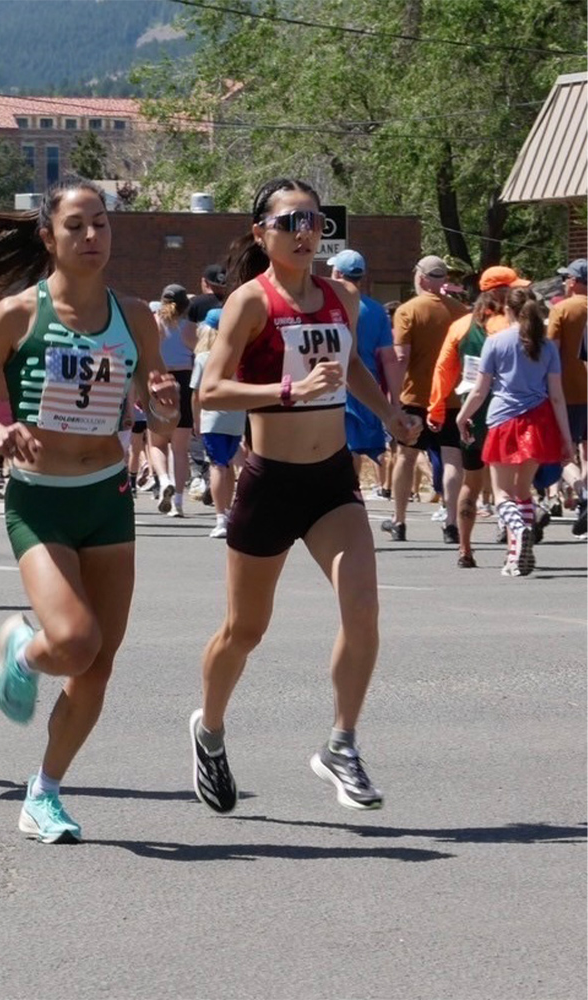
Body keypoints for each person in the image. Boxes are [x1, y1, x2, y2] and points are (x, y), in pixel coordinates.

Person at [0, 177, 179, 843]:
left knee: (98, 665)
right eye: (76, 226)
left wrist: (164, 407)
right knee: (72, 641)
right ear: (49, 238)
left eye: (100, 224)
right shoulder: (19, 313)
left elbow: (155, 413)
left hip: (108, 497)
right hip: (39, 500)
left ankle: (44, 791)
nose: (92, 237)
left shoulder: (134, 316)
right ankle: (23, 649)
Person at [188, 177, 420, 815]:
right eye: (290, 221)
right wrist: (285, 393)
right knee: (244, 631)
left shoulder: (342, 298)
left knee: (363, 608)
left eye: (314, 220)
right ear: (261, 233)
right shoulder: (249, 302)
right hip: (271, 481)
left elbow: (351, 371)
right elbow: (209, 392)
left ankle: (341, 743)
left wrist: (391, 413)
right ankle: (209, 730)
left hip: (331, 481)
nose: (305, 231)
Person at [456, 288, 572, 577]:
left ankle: (519, 531)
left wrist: (462, 416)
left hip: (504, 420)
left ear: (507, 310)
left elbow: (480, 390)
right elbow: (557, 396)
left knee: (502, 494)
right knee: (523, 491)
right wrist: (567, 439)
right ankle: (515, 554)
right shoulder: (546, 347)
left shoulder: (495, 342)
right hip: (539, 421)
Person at [428, 266, 524, 567]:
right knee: (509, 485)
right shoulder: (510, 326)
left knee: (471, 480)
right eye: (512, 288)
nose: (518, 293)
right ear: (499, 292)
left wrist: (437, 407)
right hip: (505, 411)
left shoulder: (461, 326)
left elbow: (443, 369)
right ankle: (514, 548)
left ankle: (465, 550)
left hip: (470, 410)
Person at [381, 255, 469, 542]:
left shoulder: (407, 311)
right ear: (443, 279)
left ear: (420, 278)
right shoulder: (461, 312)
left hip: (415, 396)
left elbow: (401, 356)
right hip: (450, 397)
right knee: (452, 456)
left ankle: (399, 520)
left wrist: (394, 399)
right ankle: (452, 522)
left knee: (406, 455)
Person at [328, 249, 401, 485]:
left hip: (334, 383)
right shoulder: (376, 310)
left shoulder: (327, 306)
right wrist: (395, 401)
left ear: (337, 273)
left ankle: (348, 489)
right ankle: (364, 488)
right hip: (368, 383)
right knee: (366, 444)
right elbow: (389, 358)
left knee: (344, 444)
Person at [190, 307, 245, 538]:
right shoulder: (239, 357)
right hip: (237, 417)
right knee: (228, 465)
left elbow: (196, 393)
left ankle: (221, 516)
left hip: (213, 418)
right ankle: (229, 512)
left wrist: (195, 418)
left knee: (217, 465)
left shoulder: (204, 358)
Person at [149, 284, 196, 517]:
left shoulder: (153, 324)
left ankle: (164, 479)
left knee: (157, 443)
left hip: (161, 380)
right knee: (180, 448)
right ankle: (177, 501)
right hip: (185, 381)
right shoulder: (189, 328)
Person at [547, 258, 587, 535]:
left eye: (566, 278)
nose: (564, 282)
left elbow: (551, 351)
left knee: (563, 452)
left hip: (568, 392)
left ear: (574, 281)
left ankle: (582, 494)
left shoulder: (563, 309)